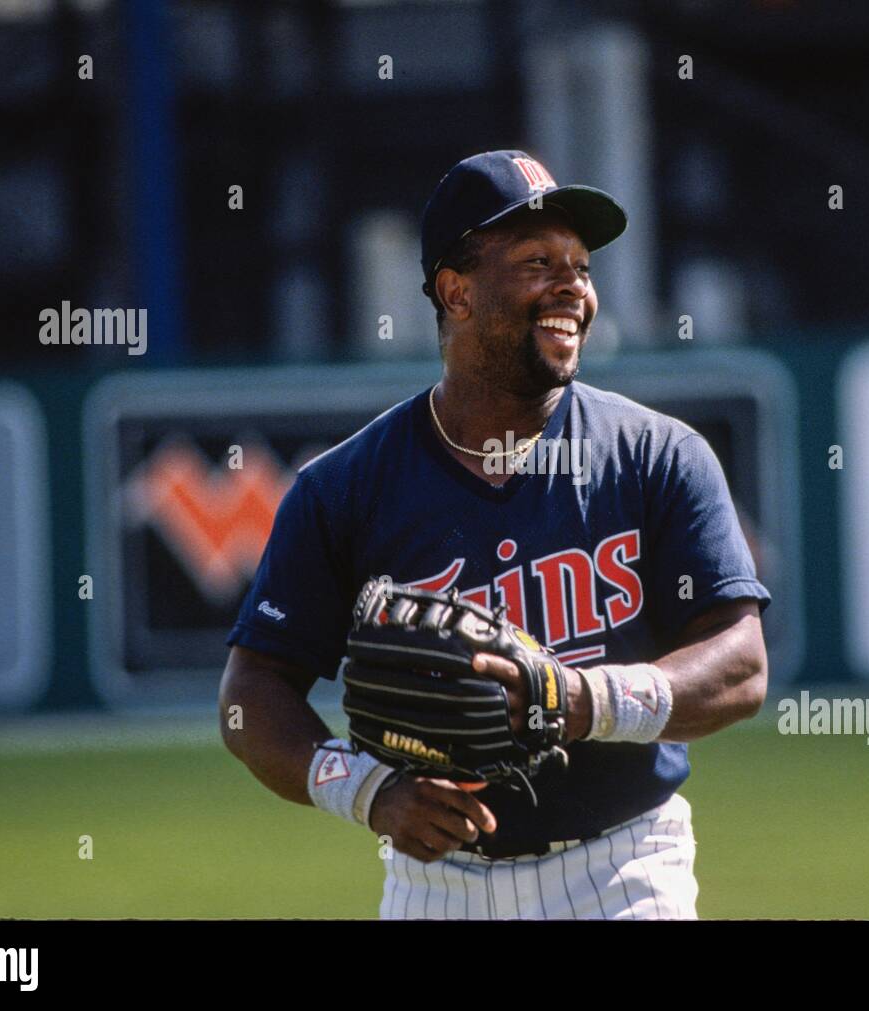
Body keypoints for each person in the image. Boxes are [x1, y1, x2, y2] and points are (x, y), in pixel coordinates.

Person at [219, 150, 771, 919]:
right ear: (457, 291)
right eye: (538, 262)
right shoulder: (343, 488)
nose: (572, 287)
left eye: (581, 267)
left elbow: (741, 664)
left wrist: (585, 698)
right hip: (436, 885)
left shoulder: (657, 454)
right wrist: (368, 790)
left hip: (625, 867)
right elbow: (250, 694)